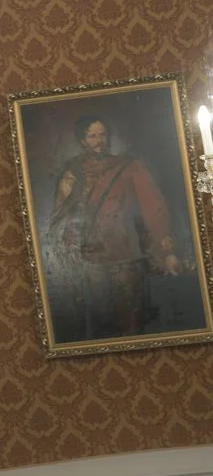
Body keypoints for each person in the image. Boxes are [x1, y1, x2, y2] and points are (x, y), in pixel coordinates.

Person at [42, 114, 182, 343]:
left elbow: (154, 208)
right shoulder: (72, 172)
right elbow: (61, 219)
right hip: (90, 262)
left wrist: (167, 252)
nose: (99, 140)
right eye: (92, 135)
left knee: (131, 329)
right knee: (100, 330)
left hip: (126, 258)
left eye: (102, 134)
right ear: (82, 139)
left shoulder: (130, 167)